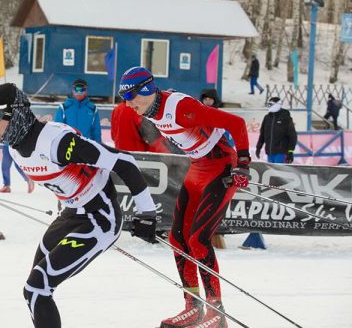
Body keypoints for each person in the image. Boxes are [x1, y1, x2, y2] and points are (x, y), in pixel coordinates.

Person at [0, 83, 157, 328]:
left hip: (101, 218)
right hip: (72, 214)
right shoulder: (14, 148)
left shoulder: (56, 142)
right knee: (33, 292)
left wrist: (147, 212)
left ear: (14, 114)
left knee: (37, 287)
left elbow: (124, 162)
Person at [119, 66, 251, 328]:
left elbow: (236, 124)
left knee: (198, 240)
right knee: (177, 238)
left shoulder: (180, 108)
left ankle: (217, 313)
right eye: (125, 98)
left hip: (221, 165)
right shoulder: (151, 109)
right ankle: (193, 307)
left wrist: (243, 165)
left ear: (146, 89)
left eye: (132, 97)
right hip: (199, 167)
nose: (129, 104)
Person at [111, 101, 182, 154]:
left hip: (121, 155)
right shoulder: (139, 111)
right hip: (140, 159)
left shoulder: (116, 110)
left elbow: (113, 136)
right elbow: (153, 138)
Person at [255, 97, 297, 164]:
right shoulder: (267, 118)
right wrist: (258, 148)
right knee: (272, 173)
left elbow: (293, 136)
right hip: (270, 152)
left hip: (281, 152)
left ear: (278, 104)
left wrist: (290, 151)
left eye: (271, 104)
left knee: (279, 172)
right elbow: (262, 134)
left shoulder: (285, 117)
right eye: (268, 104)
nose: (269, 106)